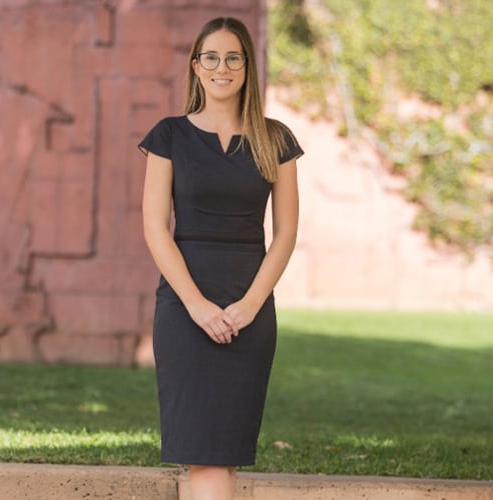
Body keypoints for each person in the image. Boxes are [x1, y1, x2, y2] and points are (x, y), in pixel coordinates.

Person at [138, 16, 303, 500]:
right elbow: (154, 228)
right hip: (185, 306)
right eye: (211, 57)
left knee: (221, 453)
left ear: (248, 68)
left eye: (233, 57)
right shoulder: (168, 135)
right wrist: (196, 305)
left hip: (249, 306)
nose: (222, 67)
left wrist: (250, 306)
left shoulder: (276, 140)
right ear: (196, 66)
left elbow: (287, 232)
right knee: (203, 451)